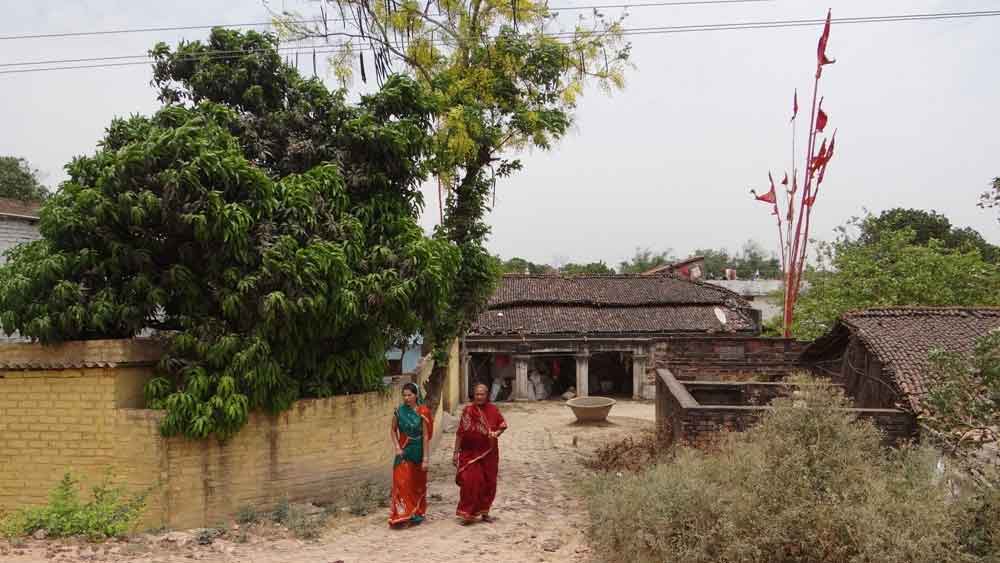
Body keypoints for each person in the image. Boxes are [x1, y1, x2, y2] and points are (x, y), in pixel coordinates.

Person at [454, 383, 507, 524]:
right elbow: (460, 433)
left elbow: (502, 425)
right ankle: (467, 514)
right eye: (477, 394)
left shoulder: (493, 410)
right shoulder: (468, 411)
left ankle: (485, 512)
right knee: (470, 482)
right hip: (469, 453)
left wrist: (496, 433)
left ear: (487, 395)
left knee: (489, 483)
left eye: (482, 394)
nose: (479, 397)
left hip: (489, 453)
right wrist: (455, 453)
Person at [389, 382, 433, 527]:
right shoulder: (399, 412)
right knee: (402, 484)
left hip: (418, 452)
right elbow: (393, 430)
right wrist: (397, 447)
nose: (407, 398)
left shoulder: (423, 412)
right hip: (403, 452)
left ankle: (415, 513)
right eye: (404, 395)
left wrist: (426, 459)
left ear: (416, 395)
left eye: (410, 395)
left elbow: (426, 436)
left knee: (416, 485)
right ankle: (402, 515)